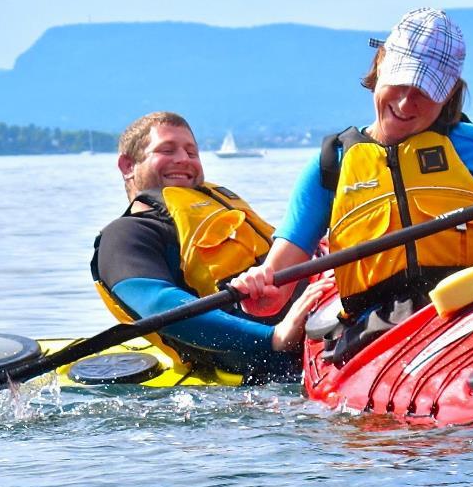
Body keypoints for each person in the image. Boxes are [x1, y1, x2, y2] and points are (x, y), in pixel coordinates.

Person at [234, 8, 473, 361]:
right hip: (378, 337)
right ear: (380, 65)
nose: (405, 104)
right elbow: (274, 297)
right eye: (399, 84)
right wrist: (258, 291)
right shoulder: (330, 166)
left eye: (425, 92)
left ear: (450, 92)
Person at [91, 111, 329, 382]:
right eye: (166, 150)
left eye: (191, 152)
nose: (183, 159)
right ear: (127, 165)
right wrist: (273, 338)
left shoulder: (220, 206)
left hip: (326, 319)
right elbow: (159, 305)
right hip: (268, 366)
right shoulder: (125, 235)